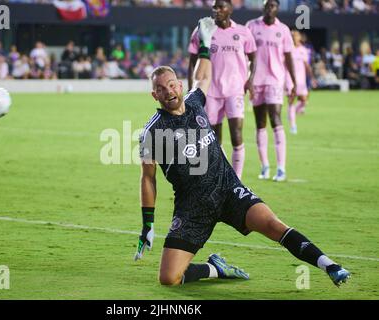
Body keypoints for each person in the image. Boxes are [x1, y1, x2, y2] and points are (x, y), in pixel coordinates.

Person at [134, 17, 350, 287]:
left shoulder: (195, 102)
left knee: (273, 225)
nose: (169, 91)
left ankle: (330, 265)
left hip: (228, 190)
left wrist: (204, 43)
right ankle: (216, 268)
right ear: (154, 95)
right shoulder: (152, 133)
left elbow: (202, 76)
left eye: (172, 84)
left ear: (179, 84)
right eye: (161, 89)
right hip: (192, 207)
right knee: (169, 278)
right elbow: (148, 178)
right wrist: (148, 224)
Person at [187, 0, 256, 179]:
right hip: (210, 91)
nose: (216, 10)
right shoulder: (203, 30)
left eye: (221, 7)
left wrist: (250, 80)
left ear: (230, 10)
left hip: (235, 90)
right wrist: (191, 89)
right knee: (214, 140)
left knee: (237, 134)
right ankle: (226, 177)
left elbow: (253, 58)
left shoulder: (243, 32)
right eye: (214, 7)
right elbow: (193, 62)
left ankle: (237, 180)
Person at [246, 0, 296, 182]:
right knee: (260, 123)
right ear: (263, 8)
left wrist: (294, 82)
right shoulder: (251, 26)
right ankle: (265, 166)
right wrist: (246, 78)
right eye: (267, 6)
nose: (269, 9)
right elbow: (244, 54)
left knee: (275, 118)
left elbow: (289, 56)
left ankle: (281, 168)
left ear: (277, 9)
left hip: (275, 80)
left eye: (273, 6)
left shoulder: (283, 29)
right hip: (256, 80)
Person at [285, 30, 316, 134]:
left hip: (301, 80)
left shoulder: (304, 50)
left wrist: (312, 78)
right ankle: (293, 126)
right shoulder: (287, 49)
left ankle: (292, 112)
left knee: (303, 100)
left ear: (299, 37)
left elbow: (307, 65)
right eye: (292, 36)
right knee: (291, 100)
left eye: (296, 36)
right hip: (290, 79)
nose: (294, 37)